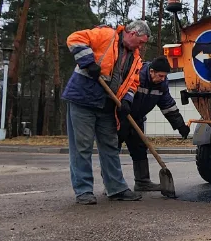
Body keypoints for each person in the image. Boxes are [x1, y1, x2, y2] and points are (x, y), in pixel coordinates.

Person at [62, 20, 151, 205]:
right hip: (83, 98)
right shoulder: (106, 36)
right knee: (82, 146)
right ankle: (84, 191)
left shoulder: (136, 60)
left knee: (110, 146)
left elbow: (133, 83)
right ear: (132, 33)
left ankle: (116, 188)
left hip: (107, 105)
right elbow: (75, 39)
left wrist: (126, 100)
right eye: (141, 42)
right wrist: (87, 61)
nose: (141, 47)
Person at [118, 56, 191, 192]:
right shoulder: (138, 75)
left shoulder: (162, 85)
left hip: (137, 119)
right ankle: (112, 184)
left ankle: (142, 182)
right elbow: (123, 90)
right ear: (151, 71)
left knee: (139, 149)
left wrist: (180, 126)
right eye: (160, 76)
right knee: (112, 149)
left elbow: (168, 106)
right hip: (120, 116)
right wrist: (124, 105)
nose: (163, 79)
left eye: (165, 76)